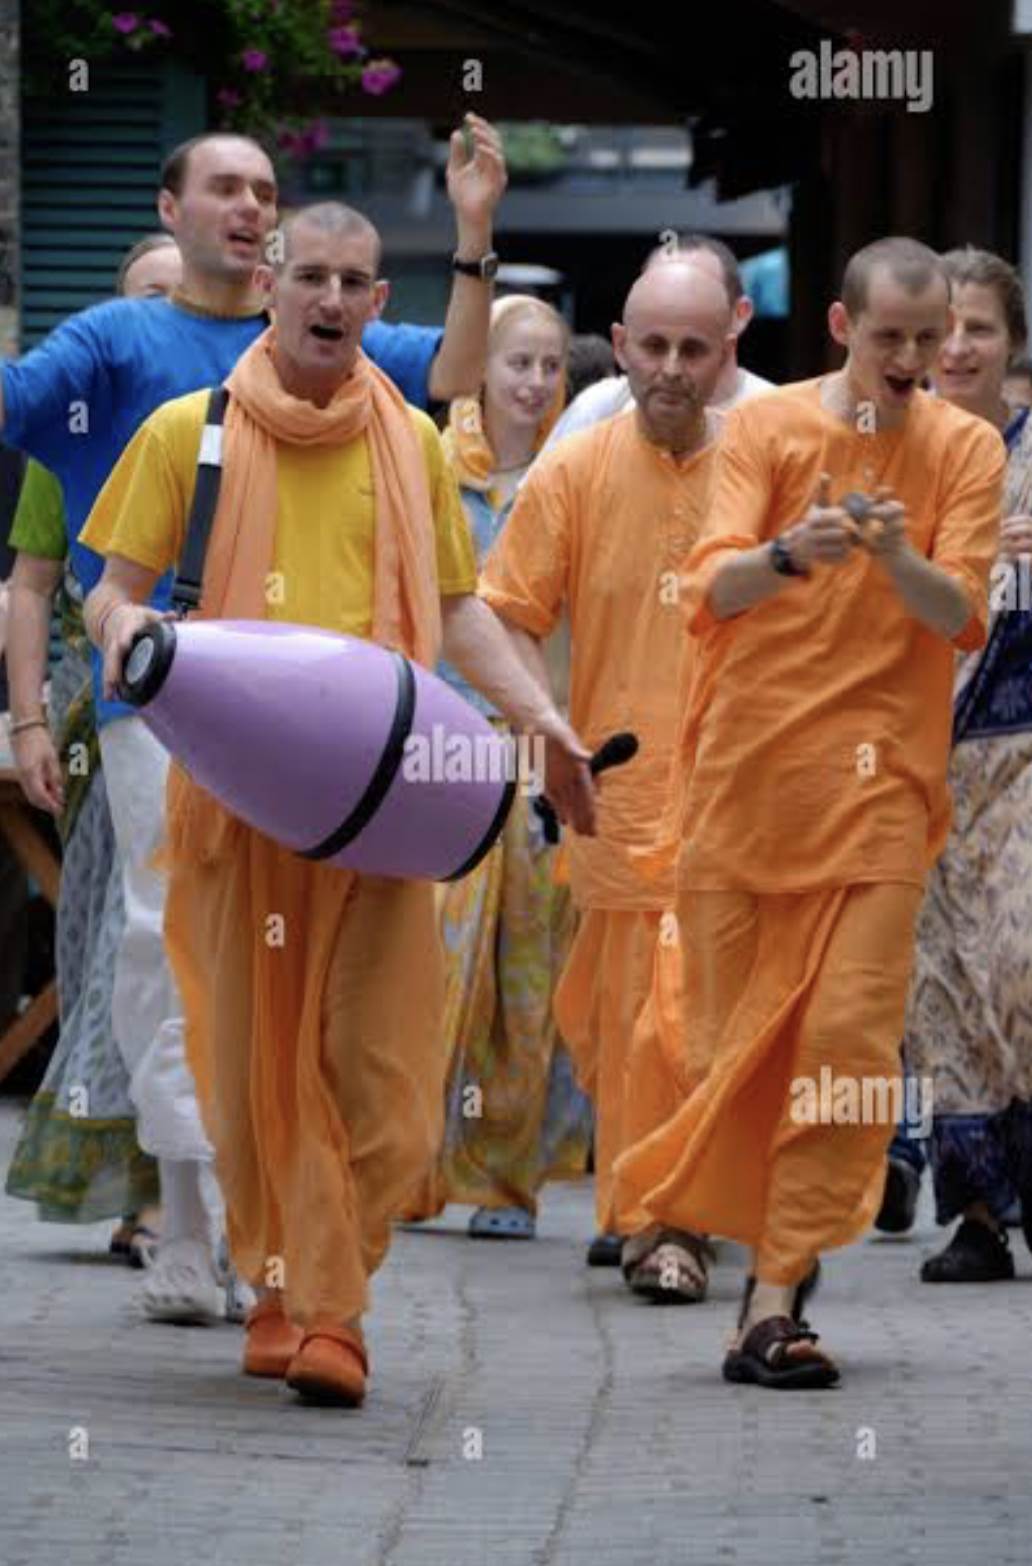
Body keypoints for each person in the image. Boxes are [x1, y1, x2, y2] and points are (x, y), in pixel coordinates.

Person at [80, 201, 595, 1408]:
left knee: (385, 1082)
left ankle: (320, 1281)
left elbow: (458, 611)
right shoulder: (184, 433)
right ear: (270, 285)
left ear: (377, 301)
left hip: (383, 808)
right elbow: (108, 591)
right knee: (251, 1070)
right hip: (234, 805)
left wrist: (543, 722)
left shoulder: (413, 440)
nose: (329, 298)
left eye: (352, 281)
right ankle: (309, 1306)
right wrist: (128, 634)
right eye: (308, 274)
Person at [0, 120, 507, 1322]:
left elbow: (454, 373)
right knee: (174, 943)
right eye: (223, 186)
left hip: (340, 722)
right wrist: (37, 708)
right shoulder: (117, 338)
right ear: (169, 211)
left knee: (318, 976)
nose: (247, 205)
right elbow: (21, 435)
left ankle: (274, 1230)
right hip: (162, 703)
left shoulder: (330, 327)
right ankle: (188, 1226)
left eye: (264, 189)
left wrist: (474, 228)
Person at [612, 237, 1004, 1388]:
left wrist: (894, 557)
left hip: (883, 799)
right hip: (751, 788)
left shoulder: (965, 446)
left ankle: (775, 1296)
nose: (914, 360)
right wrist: (790, 553)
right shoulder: (767, 430)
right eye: (891, 339)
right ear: (842, 327)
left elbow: (960, 615)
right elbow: (710, 585)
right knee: (736, 1052)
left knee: (846, 1043)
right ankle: (729, 1240)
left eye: (930, 339)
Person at [479, 258, 734, 1290]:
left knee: (701, 1016)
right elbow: (502, 613)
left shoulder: (771, 462)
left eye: (693, 349)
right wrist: (544, 728)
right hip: (617, 797)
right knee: (627, 1021)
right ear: (620, 347)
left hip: (739, 799)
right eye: (653, 346)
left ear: (727, 349)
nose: (671, 368)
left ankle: (680, 1218)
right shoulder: (576, 471)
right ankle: (655, 1218)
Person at [401, 295, 592, 1240]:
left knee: (527, 976)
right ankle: (402, 1165)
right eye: (519, 362)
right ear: (479, 370)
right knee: (421, 971)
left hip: (535, 748)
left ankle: (505, 1181)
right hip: (435, 747)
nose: (535, 382)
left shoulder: (578, 474)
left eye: (552, 366)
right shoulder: (427, 466)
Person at [4, 235, 180, 1262]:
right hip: (98, 714)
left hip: (205, 699)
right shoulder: (68, 440)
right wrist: (31, 720)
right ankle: (140, 1188)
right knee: (116, 933)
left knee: (173, 935)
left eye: (175, 301)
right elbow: (31, 587)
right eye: (144, 300)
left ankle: (183, 1189)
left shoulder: (219, 426)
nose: (160, 320)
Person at [904, 246, 1032, 1283]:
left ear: (1013, 344)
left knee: (1018, 959)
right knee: (939, 986)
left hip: (1023, 757)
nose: (957, 349)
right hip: (913, 758)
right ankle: (980, 1211)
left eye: (978, 328)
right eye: (939, 329)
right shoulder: (891, 460)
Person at [542, 234, 773, 451]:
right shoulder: (600, 408)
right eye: (658, 291)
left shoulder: (776, 418)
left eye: (697, 293)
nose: (672, 306)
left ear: (740, 314)